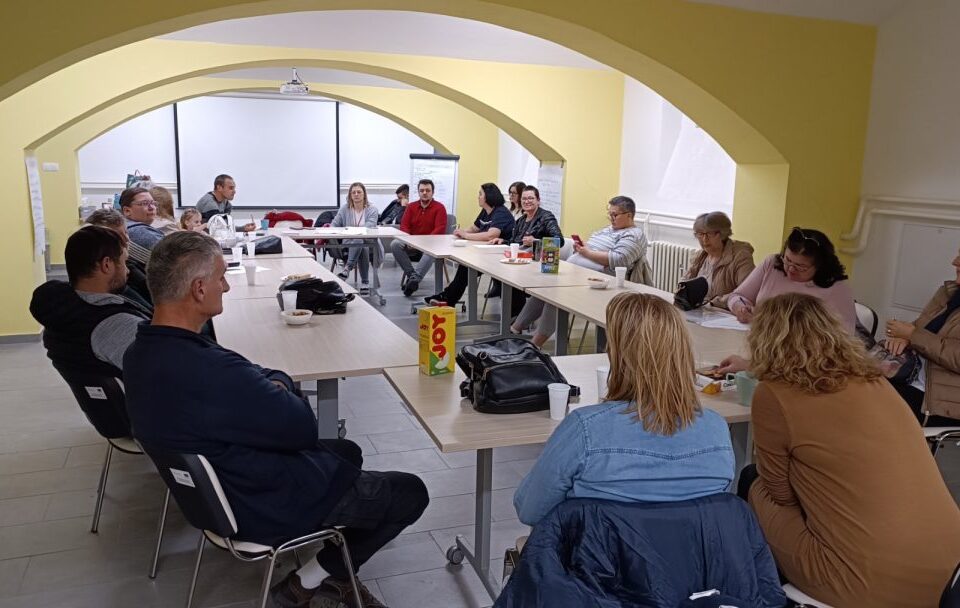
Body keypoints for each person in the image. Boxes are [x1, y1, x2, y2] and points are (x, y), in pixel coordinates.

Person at [123, 232, 428, 608]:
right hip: (260, 501)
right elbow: (302, 427)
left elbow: (253, 382)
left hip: (214, 494)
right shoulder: (212, 371)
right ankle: (311, 579)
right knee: (410, 492)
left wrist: (268, 383)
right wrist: (279, 383)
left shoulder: (140, 354)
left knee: (347, 450)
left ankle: (335, 563)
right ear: (199, 289)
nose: (226, 286)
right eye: (221, 278)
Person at [739, 293, 960, 608]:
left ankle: (756, 591)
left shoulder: (774, 394)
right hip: (948, 579)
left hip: (864, 584)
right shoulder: (874, 381)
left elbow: (780, 495)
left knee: (754, 483)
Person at [513, 292, 734, 527]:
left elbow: (530, 510)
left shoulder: (585, 430)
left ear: (616, 355)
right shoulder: (716, 431)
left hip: (598, 551)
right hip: (689, 551)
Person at [512, 195, 648, 348]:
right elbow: (592, 248)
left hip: (602, 284)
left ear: (629, 215)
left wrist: (586, 253)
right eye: (609, 214)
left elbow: (618, 259)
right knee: (544, 288)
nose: (611, 218)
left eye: (615, 215)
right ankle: (514, 330)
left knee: (555, 294)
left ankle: (534, 345)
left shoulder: (634, 235)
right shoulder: (608, 230)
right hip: (578, 276)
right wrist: (583, 249)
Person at [29, 225, 151, 375]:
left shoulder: (63, 313)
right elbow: (166, 374)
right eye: (124, 262)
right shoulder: (116, 325)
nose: (128, 270)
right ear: (107, 264)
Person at [885, 246, 960, 424]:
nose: (954, 262)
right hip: (910, 378)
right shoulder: (948, 292)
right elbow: (920, 327)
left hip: (941, 404)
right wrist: (903, 337)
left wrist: (912, 335)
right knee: (851, 386)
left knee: (868, 407)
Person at [727, 227, 856, 330]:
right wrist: (740, 308)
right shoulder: (772, 264)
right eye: (788, 260)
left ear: (820, 266)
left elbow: (845, 334)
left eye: (801, 267)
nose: (791, 269)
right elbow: (737, 296)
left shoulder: (836, 287)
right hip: (760, 340)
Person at [423, 183, 514, 306]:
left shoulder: (501, 212)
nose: (478, 197)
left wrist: (466, 235)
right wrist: (461, 232)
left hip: (500, 257)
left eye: (480, 194)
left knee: (466, 268)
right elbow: (474, 228)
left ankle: (448, 298)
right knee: (465, 266)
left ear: (489, 196)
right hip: (485, 253)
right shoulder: (486, 210)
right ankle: (447, 298)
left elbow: (491, 235)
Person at [681, 211, 755, 309]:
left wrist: (715, 302)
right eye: (700, 234)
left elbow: (747, 292)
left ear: (722, 233)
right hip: (700, 311)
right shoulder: (700, 255)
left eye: (710, 234)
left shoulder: (740, 256)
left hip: (725, 312)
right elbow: (684, 284)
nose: (704, 239)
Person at [390, 179, 447, 296]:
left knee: (431, 250)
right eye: (422, 190)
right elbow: (404, 226)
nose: (424, 193)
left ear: (433, 192)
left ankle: (414, 280)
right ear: (418, 192)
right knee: (395, 244)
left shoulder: (440, 208)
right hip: (412, 243)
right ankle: (413, 277)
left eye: (428, 190)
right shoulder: (411, 207)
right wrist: (410, 241)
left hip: (430, 244)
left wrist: (424, 243)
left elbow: (439, 229)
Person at [331, 182, 380, 293]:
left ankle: (347, 269)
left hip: (370, 243)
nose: (356, 194)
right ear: (350, 195)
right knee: (360, 244)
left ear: (364, 194)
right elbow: (334, 224)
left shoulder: (372, 209)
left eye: (359, 192)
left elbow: (369, 226)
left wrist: (355, 232)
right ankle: (365, 282)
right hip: (349, 243)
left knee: (361, 242)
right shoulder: (345, 208)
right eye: (353, 192)